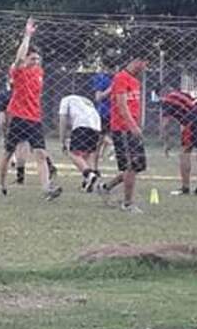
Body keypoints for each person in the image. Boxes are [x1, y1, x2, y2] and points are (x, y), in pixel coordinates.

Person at [0, 18, 61, 200]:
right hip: (17, 117)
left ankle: (47, 188)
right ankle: (1, 185)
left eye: (38, 59)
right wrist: (27, 36)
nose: (36, 62)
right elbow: (18, 59)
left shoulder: (39, 72)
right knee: (8, 153)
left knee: (40, 153)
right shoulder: (18, 71)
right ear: (26, 59)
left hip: (34, 119)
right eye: (32, 58)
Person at [107, 56, 149, 213]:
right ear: (136, 60)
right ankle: (127, 203)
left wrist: (138, 125)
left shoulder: (135, 81)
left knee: (135, 166)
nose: (145, 66)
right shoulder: (121, 78)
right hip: (123, 129)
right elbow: (122, 106)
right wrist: (133, 126)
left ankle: (106, 187)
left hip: (132, 128)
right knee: (131, 165)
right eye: (145, 62)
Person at [160, 90, 197, 196]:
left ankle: (185, 187)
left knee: (185, 153)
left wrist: (166, 143)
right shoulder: (182, 94)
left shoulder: (167, 99)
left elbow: (165, 124)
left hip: (194, 117)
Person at [58, 94, 101, 192]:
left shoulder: (65, 100)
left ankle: (89, 175)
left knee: (72, 152)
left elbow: (63, 119)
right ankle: (87, 183)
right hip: (96, 124)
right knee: (88, 154)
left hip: (82, 123)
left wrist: (62, 140)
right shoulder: (84, 100)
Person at [91, 64, 114, 171]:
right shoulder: (102, 78)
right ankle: (94, 169)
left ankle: (109, 149)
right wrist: (110, 90)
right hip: (104, 113)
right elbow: (98, 97)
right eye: (111, 68)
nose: (113, 70)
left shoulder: (118, 77)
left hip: (116, 113)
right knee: (99, 141)